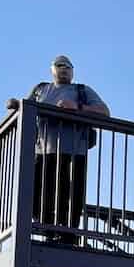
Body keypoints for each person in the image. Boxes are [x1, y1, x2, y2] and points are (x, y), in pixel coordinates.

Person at [27, 55, 110, 245]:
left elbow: (105, 112)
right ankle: (48, 229)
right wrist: (14, 105)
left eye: (68, 67)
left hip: (74, 152)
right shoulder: (41, 89)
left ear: (73, 72)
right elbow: (24, 108)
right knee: (37, 195)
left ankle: (67, 234)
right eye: (59, 65)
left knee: (70, 195)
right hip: (44, 151)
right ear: (52, 69)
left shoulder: (82, 90)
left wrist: (77, 107)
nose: (64, 69)